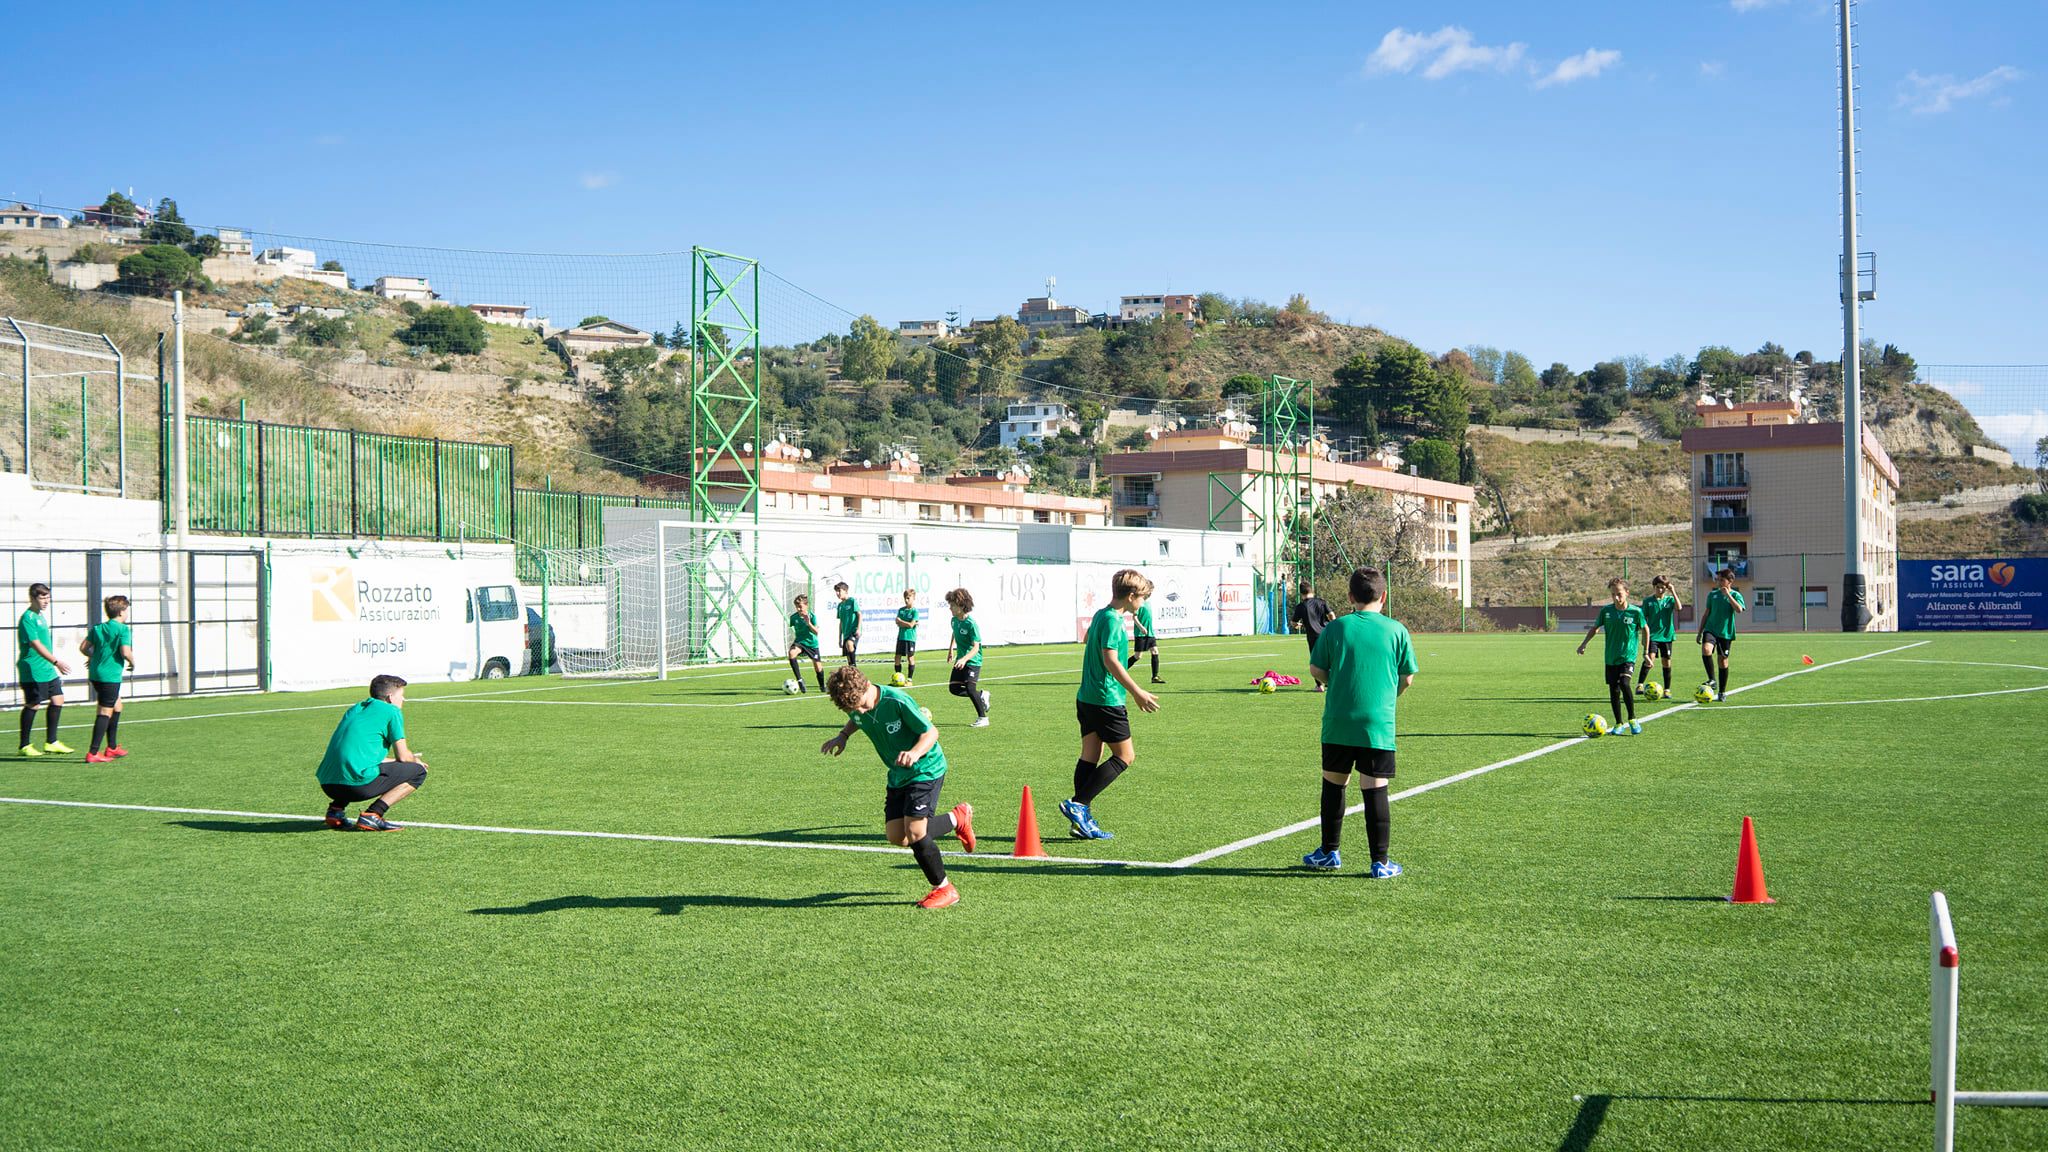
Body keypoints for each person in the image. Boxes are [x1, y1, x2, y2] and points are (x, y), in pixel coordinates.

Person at [820, 665, 976, 909]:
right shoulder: (856, 705)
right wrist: (843, 735)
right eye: (853, 710)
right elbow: (857, 719)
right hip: (897, 774)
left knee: (915, 832)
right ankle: (957, 818)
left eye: (860, 705)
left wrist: (914, 753)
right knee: (898, 836)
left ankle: (945, 889)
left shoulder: (897, 701)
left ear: (867, 685)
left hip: (925, 768)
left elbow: (931, 732)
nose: (859, 711)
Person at [1303, 567, 1417, 878]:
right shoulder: (1396, 630)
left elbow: (1316, 669)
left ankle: (1329, 852)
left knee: (1334, 785)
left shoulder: (1337, 628)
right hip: (1377, 722)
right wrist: (1387, 698)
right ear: (1384, 596)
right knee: (1375, 788)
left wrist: (1336, 679)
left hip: (1339, 720)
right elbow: (1407, 677)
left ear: (1350, 597)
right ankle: (1380, 862)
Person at [1062, 569, 1161, 840]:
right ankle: (1079, 805)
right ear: (1131, 597)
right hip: (1107, 699)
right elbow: (1111, 660)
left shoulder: (1101, 615)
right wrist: (1138, 691)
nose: (1143, 603)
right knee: (1125, 756)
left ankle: (1080, 821)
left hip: (1087, 697)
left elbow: (1087, 641)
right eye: (1142, 598)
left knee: (1090, 755)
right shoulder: (1114, 621)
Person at [317, 674, 428, 831]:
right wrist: (415, 761)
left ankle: (335, 811)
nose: (403, 700)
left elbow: (365, 756)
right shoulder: (391, 711)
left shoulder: (355, 709)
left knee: (352, 768)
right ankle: (373, 815)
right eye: (401, 696)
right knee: (418, 772)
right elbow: (403, 756)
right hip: (355, 786)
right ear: (390, 697)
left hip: (328, 784)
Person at [1578, 577, 1649, 735]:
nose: (1616, 597)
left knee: (1624, 683)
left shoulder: (1636, 612)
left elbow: (1645, 629)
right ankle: (1618, 723)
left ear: (1627, 593)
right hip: (1610, 657)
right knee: (1614, 691)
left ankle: (1632, 718)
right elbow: (1595, 628)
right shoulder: (1606, 611)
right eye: (1613, 594)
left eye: (1619, 594)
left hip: (1627, 656)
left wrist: (1646, 652)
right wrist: (1584, 644)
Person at [16, 582, 73, 758]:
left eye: (48, 597)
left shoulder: (40, 616)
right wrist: (56, 661)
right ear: (33, 598)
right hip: (33, 669)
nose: (46, 601)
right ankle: (24, 745)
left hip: (46, 668)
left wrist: (52, 663)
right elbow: (35, 643)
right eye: (42, 597)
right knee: (33, 704)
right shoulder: (28, 618)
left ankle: (52, 742)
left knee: (58, 699)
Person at [80, 595, 136, 763]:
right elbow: (125, 652)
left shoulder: (98, 628)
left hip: (96, 675)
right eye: (126, 610)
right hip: (109, 677)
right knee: (105, 711)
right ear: (120, 612)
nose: (127, 613)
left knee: (117, 706)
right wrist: (133, 662)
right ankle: (93, 753)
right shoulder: (123, 629)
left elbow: (83, 648)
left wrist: (94, 657)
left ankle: (111, 748)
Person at [943, 587, 991, 727]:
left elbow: (976, 647)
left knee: (970, 688)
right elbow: (954, 632)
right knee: (954, 689)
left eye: (953, 605)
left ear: (962, 606)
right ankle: (981, 695)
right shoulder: (954, 620)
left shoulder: (971, 624)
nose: (950, 608)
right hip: (961, 659)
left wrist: (964, 659)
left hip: (973, 660)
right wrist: (951, 649)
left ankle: (983, 718)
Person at [1697, 568, 1747, 701]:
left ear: (1730, 581)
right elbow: (1706, 613)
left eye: (1722, 580)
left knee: (1722, 661)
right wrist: (1700, 631)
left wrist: (1728, 595)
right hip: (1710, 629)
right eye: (1717, 579)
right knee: (1706, 649)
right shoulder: (1712, 595)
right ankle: (1712, 679)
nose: (1719, 582)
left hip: (1725, 633)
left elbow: (1739, 610)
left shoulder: (1736, 595)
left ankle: (1722, 692)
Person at [1636, 575, 1683, 695]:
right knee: (1649, 658)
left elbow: (1679, 607)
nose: (1660, 590)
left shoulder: (1670, 600)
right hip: (1652, 636)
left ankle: (1667, 689)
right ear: (1654, 587)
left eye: (1663, 588)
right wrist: (1643, 636)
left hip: (1667, 636)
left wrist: (1673, 591)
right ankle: (1640, 685)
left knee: (1666, 662)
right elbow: (1643, 619)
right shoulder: (1648, 601)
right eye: (1658, 587)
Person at [1290, 583, 1336, 692]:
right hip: (1326, 634)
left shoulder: (1301, 606)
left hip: (1313, 636)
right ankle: (1332, 682)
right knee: (1330, 658)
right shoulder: (1321, 602)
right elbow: (1332, 616)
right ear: (1312, 591)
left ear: (1301, 593)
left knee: (1316, 661)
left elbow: (1293, 622)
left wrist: (1297, 625)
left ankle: (1319, 685)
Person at [786, 594, 825, 693]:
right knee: (791, 653)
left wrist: (809, 623)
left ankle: (822, 686)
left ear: (806, 606)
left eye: (801, 606)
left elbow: (816, 632)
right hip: (800, 642)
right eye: (797, 607)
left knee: (818, 667)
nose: (799, 609)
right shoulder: (793, 618)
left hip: (812, 644)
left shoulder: (812, 616)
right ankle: (799, 680)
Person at [1125, 596, 1163, 684]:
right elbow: (1134, 617)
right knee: (1138, 656)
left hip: (1150, 633)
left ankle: (1155, 677)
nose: (1150, 593)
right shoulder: (1139, 603)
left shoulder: (1148, 603)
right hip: (1141, 634)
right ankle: (1119, 671)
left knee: (1155, 651)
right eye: (1149, 591)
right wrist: (1141, 627)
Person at [893, 589, 919, 685]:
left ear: (913, 598)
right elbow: (898, 623)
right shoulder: (901, 610)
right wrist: (906, 623)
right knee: (897, 657)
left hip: (910, 638)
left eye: (908, 598)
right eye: (905, 598)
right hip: (901, 637)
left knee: (910, 657)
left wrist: (902, 622)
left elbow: (911, 625)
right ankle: (897, 678)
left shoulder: (915, 611)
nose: (906, 600)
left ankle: (909, 679)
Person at [834, 581, 861, 666]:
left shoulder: (852, 601)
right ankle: (852, 671)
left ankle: (854, 668)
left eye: (839, 591)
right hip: (846, 633)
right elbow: (841, 622)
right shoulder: (840, 606)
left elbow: (859, 614)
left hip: (853, 631)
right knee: (848, 657)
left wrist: (858, 628)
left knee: (850, 644)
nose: (837, 593)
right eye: (836, 592)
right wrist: (840, 638)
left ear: (845, 591)